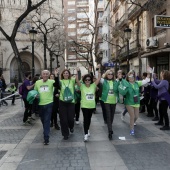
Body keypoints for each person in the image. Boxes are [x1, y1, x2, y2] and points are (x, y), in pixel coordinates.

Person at [117, 70, 150, 135]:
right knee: (132, 116)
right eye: (129, 77)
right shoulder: (126, 83)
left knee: (136, 116)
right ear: (128, 78)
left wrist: (148, 74)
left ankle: (132, 123)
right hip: (129, 102)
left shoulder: (137, 83)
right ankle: (132, 129)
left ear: (134, 78)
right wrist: (120, 78)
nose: (131, 78)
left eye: (132, 77)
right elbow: (120, 84)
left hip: (136, 102)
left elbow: (146, 81)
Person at [76, 65, 101, 142]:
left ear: (91, 80)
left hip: (91, 105)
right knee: (85, 119)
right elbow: (76, 80)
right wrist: (78, 72)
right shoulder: (82, 86)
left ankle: (87, 129)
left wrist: (98, 70)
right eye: (86, 80)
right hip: (84, 106)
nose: (87, 81)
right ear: (84, 80)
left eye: (89, 80)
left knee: (89, 119)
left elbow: (99, 78)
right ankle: (85, 134)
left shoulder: (93, 85)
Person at [34, 69, 58, 145]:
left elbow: (57, 85)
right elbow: (35, 92)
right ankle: (46, 131)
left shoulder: (51, 81)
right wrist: (36, 96)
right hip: (40, 104)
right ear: (41, 75)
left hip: (49, 103)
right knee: (43, 120)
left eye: (47, 74)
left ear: (49, 75)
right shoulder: (37, 82)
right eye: (44, 74)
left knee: (47, 120)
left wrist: (56, 76)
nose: (45, 75)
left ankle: (46, 137)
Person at [55, 69, 76, 140]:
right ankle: (65, 134)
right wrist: (56, 75)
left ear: (69, 74)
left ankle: (71, 126)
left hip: (71, 102)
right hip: (62, 102)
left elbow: (78, 80)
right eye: (64, 73)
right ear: (62, 75)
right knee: (63, 120)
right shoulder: (61, 81)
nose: (66, 74)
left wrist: (78, 72)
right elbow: (56, 84)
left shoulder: (72, 80)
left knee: (70, 118)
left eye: (67, 73)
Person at [100, 69, 117, 140]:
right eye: (109, 74)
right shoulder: (104, 81)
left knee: (112, 116)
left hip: (114, 101)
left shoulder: (116, 82)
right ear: (106, 75)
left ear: (113, 75)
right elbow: (98, 78)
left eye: (111, 74)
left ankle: (110, 126)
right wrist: (98, 69)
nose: (110, 75)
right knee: (108, 115)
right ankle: (110, 131)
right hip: (106, 101)